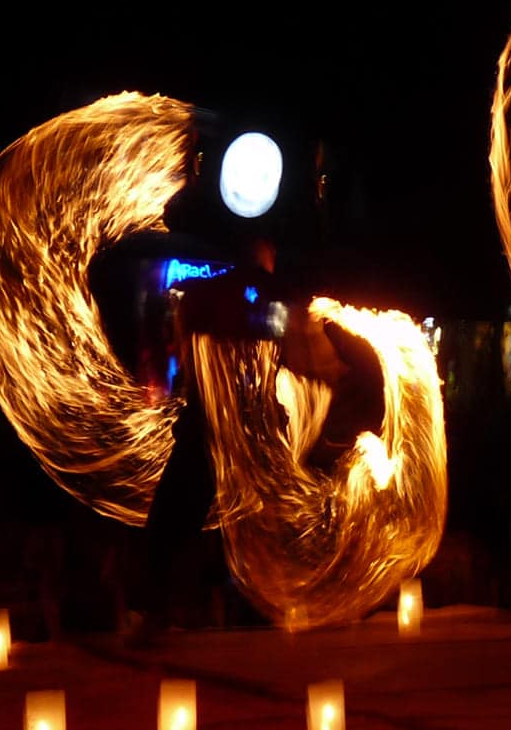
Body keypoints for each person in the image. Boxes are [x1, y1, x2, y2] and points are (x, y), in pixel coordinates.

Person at [130, 232, 384, 643]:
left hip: (222, 430)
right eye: (267, 248)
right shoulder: (266, 295)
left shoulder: (217, 294)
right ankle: (165, 609)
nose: (271, 255)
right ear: (263, 252)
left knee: (191, 517)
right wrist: (338, 374)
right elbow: (307, 355)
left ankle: (156, 610)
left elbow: (181, 351)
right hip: (239, 431)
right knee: (233, 517)